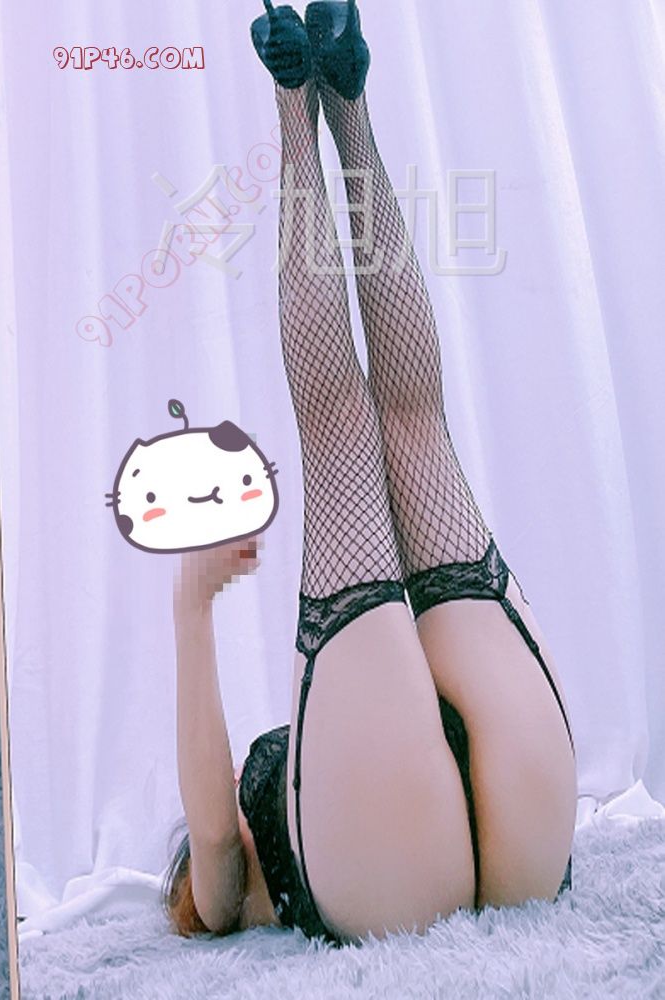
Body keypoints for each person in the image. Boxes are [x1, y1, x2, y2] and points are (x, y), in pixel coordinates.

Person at [161, 0, 577, 947]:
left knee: (366, 431)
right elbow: (214, 860)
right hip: (509, 788)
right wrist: (186, 609)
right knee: (402, 426)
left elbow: (218, 838)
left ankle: (312, 107)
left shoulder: (253, 857)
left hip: (476, 845)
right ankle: (335, 110)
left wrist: (192, 612)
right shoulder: (222, 887)